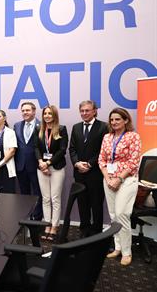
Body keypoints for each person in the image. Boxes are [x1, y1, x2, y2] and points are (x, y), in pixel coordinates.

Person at [99, 108, 141, 266]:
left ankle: (126, 252)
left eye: (117, 119)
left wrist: (118, 179)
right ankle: (117, 248)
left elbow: (133, 162)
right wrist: (108, 178)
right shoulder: (107, 137)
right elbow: (101, 159)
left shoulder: (133, 137)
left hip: (127, 180)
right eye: (112, 120)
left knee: (122, 213)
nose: (114, 122)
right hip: (108, 179)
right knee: (113, 215)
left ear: (125, 120)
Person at [69, 100, 108, 237]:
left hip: (95, 173)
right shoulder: (76, 127)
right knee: (82, 204)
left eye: (87, 110)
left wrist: (90, 164)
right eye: (82, 111)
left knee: (96, 204)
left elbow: (103, 150)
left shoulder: (104, 127)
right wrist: (76, 163)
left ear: (94, 111)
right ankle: (84, 230)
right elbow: (72, 148)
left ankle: (97, 232)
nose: (84, 113)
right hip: (79, 173)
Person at [34, 105, 68, 241]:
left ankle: (54, 226)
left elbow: (62, 150)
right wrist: (41, 162)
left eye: (50, 113)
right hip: (41, 167)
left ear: (54, 115)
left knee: (55, 198)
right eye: (45, 113)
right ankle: (47, 224)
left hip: (56, 167)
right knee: (46, 198)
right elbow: (36, 147)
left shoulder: (61, 129)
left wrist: (48, 163)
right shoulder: (39, 129)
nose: (47, 116)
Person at [14, 102, 43, 220]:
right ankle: (26, 217)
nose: (25, 113)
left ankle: (37, 218)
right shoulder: (16, 125)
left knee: (37, 193)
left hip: (36, 165)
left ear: (34, 111)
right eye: (23, 110)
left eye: (27, 110)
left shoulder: (41, 125)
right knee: (24, 194)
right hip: (20, 165)